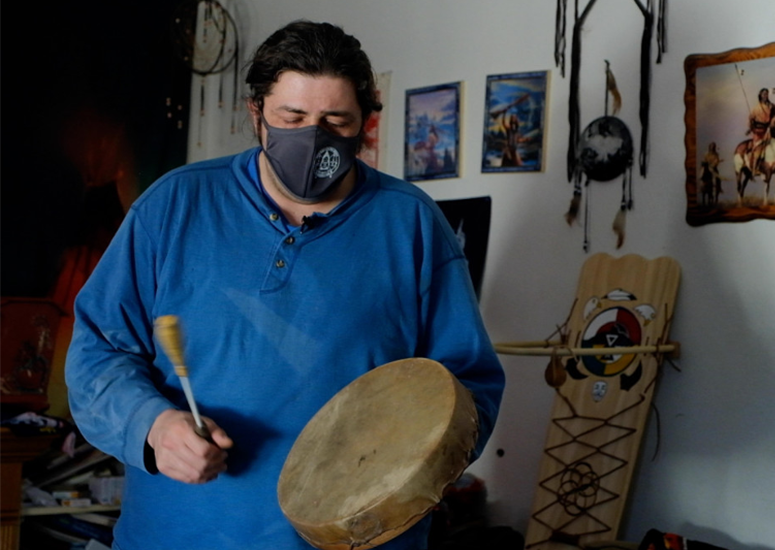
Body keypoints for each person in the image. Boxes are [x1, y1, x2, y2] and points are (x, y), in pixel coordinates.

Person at [65, 20, 505, 550]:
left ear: (365, 122)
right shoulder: (172, 207)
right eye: (291, 117)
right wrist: (151, 426)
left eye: (335, 120)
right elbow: (97, 355)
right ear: (257, 114)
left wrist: (413, 466)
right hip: (178, 535)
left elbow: (468, 387)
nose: (313, 136)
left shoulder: (411, 224)